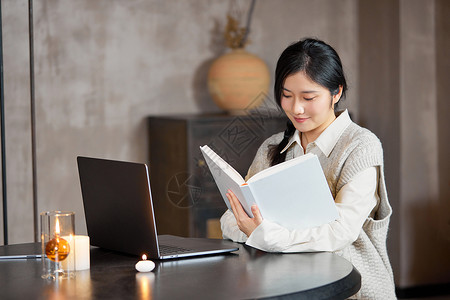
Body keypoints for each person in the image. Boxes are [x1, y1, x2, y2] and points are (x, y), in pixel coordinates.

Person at [220, 38, 396, 299]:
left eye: (309, 97)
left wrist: (266, 235)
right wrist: (259, 233)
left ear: (336, 93)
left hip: (352, 289)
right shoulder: (272, 147)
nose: (296, 109)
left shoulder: (360, 147)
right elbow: (230, 218)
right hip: (286, 285)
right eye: (287, 96)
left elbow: (340, 232)